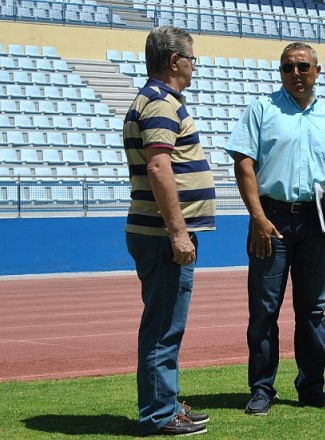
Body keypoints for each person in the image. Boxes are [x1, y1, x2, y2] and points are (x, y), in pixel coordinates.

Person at [224, 42, 325, 416]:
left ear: (318, 71)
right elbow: (244, 165)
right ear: (280, 71)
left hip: (317, 221)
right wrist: (257, 217)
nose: (295, 74)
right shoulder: (262, 110)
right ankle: (262, 388)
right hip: (272, 219)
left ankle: (311, 387)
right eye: (288, 67)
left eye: (302, 67)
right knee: (264, 310)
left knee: (313, 310)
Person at [123, 26, 216, 436]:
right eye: (192, 58)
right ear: (175, 61)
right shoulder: (160, 104)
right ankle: (160, 415)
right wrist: (178, 232)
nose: (195, 66)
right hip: (163, 235)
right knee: (163, 326)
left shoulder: (157, 101)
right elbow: (160, 167)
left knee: (165, 324)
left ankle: (167, 402)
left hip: (157, 232)